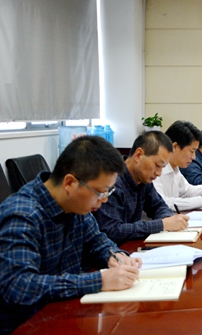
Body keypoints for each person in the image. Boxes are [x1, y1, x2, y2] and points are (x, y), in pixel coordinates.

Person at [0, 136, 141, 334]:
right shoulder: (23, 214)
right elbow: (19, 285)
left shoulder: (76, 205)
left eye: (108, 192)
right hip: (28, 326)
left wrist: (114, 255)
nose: (104, 200)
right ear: (69, 183)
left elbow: (96, 240)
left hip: (65, 314)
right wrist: (99, 281)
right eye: (100, 192)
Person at [94, 131, 189, 245]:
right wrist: (162, 224)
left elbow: (159, 206)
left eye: (162, 167)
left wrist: (168, 219)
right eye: (157, 165)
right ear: (138, 155)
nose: (159, 173)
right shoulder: (112, 181)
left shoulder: (143, 180)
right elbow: (112, 231)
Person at [153, 121, 202, 211]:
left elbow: (187, 191)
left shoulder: (174, 167)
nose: (194, 157)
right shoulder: (154, 169)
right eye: (192, 151)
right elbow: (162, 202)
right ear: (175, 147)